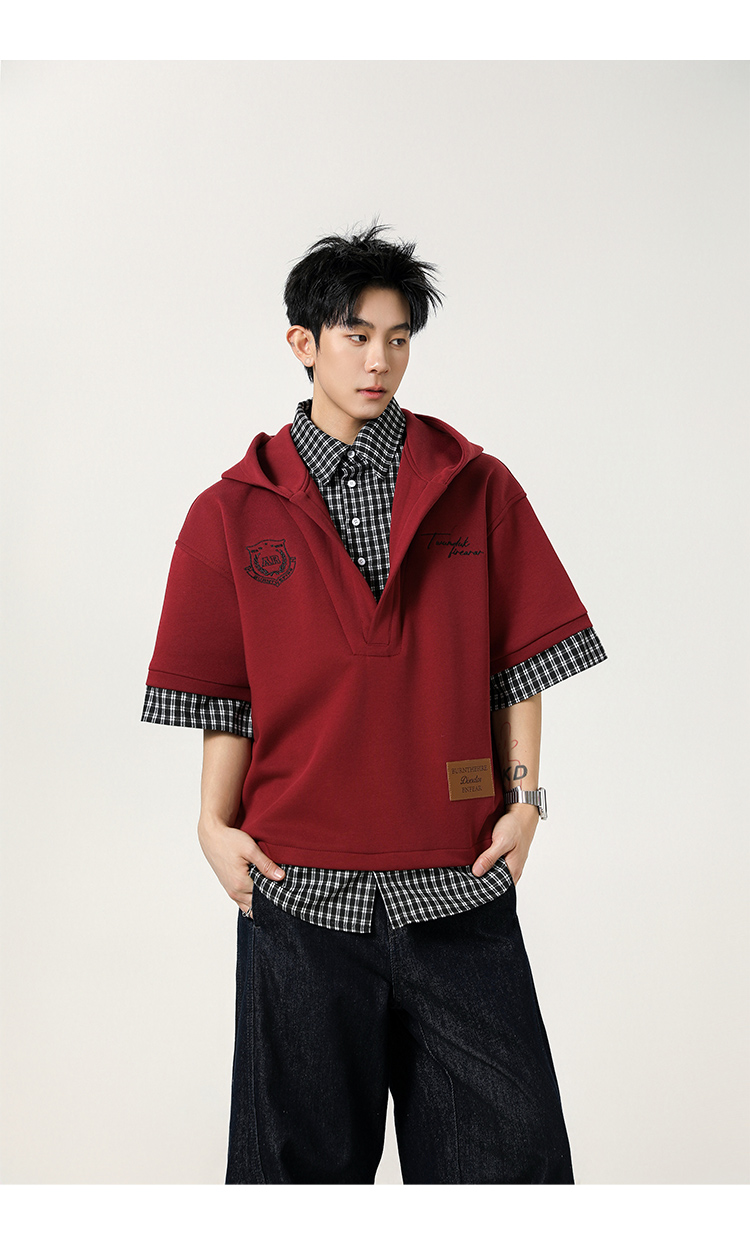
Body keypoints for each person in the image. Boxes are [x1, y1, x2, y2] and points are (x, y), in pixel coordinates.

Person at [142, 222, 607, 1185]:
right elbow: (227, 698)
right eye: (356, 336)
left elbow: (519, 661)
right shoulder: (231, 511)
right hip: (299, 886)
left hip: (458, 879)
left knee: (511, 1171)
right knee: (295, 1182)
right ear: (303, 342)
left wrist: (525, 799)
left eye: (398, 338)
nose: (379, 360)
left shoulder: (476, 487)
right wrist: (211, 824)